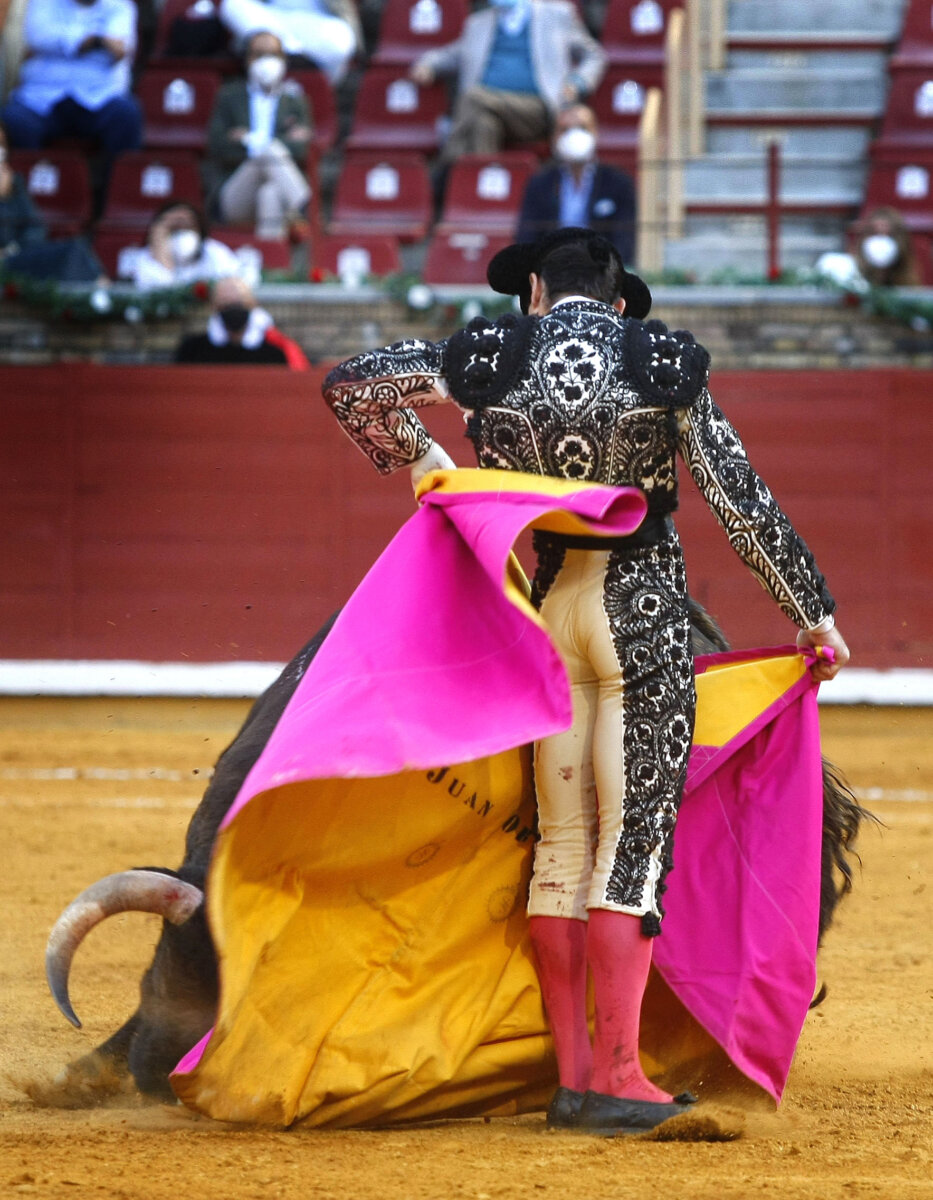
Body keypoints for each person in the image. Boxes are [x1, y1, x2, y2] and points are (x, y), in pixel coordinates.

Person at [322, 227, 849, 1136]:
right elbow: (734, 493)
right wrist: (811, 611)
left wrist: (420, 455)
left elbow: (351, 385)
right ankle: (616, 1074)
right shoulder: (662, 359)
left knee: (561, 847)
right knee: (631, 845)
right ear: (615, 300)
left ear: (532, 289)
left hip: (550, 609)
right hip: (640, 615)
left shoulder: (488, 354)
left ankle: (575, 1074)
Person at [409, 0, 606, 163]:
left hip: (539, 108)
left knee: (472, 97)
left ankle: (447, 167)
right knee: (483, 124)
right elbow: (456, 53)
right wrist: (428, 65)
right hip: (489, 109)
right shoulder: (478, 23)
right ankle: (482, 193)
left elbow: (594, 55)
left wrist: (577, 82)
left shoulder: (557, 15)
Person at [205, 30, 313, 240]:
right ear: (247, 59)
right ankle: (304, 205)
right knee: (270, 150)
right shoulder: (229, 96)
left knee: (270, 193)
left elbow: (302, 148)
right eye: (259, 54)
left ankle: (270, 268)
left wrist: (246, 138)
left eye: (273, 54)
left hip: (277, 187)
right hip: (236, 193)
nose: (267, 61)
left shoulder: (295, 100)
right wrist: (263, 145)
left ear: (283, 60)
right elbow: (217, 144)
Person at [0, 0, 142, 159]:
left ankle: (114, 184)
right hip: (43, 97)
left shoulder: (120, 6)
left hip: (98, 97)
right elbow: (39, 37)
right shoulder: (44, 3)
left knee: (127, 114)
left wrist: (63, 43)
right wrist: (97, 41)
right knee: (15, 119)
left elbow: (120, 50)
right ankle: (24, 182)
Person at [515, 103, 636, 264]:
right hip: (552, 272)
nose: (574, 135)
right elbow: (526, 237)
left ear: (595, 133)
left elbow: (625, 240)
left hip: (600, 272)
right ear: (554, 137)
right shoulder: (540, 183)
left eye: (582, 128)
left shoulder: (618, 183)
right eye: (565, 129)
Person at [0, 119, 104, 280]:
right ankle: (106, 299)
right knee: (69, 254)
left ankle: (106, 294)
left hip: (17, 253)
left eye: (2, 146)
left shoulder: (12, 181)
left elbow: (37, 227)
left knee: (75, 248)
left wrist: (13, 250)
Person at [175, 273, 309, 366]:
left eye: (239, 304)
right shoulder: (192, 352)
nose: (233, 310)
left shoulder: (274, 355)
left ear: (252, 305)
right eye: (226, 305)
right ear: (214, 307)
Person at [217, 0, 360, 84]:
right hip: (272, 18)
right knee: (233, 4)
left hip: (317, 21)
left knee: (341, 39)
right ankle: (290, 51)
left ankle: (284, 51)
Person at [129, 199, 247, 291]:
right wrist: (161, 254)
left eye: (187, 226)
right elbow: (160, 292)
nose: (182, 235)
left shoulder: (213, 251)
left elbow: (237, 285)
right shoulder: (147, 256)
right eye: (175, 228)